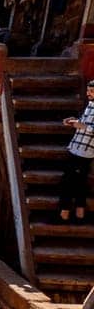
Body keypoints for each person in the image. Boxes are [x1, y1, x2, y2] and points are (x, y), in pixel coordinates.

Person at [60, 79, 94, 221]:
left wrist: (80, 126)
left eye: (91, 91)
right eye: (88, 91)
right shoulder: (90, 105)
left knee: (69, 181)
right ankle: (79, 213)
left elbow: (90, 128)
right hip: (76, 147)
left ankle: (65, 213)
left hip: (85, 152)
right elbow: (84, 123)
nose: (88, 94)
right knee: (78, 181)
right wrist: (74, 121)